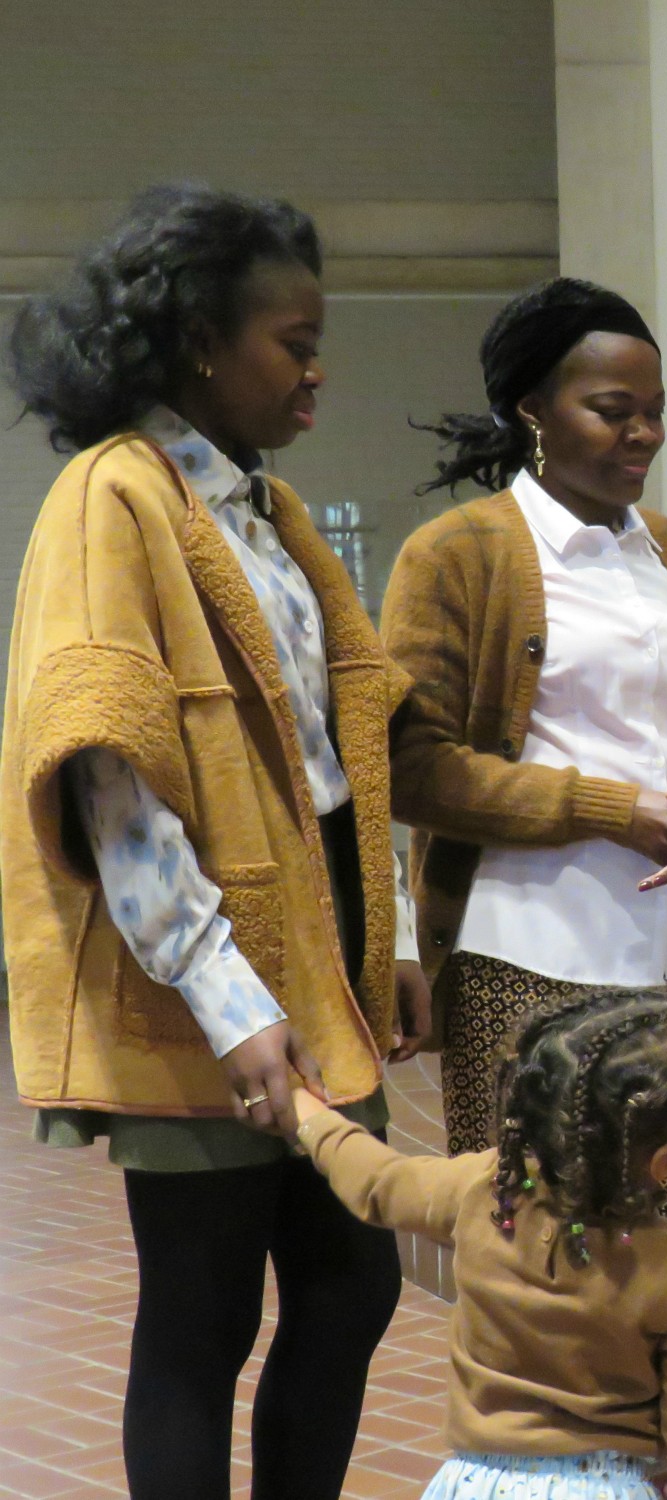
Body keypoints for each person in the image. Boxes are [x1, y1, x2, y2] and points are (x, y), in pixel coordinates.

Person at [1, 185, 429, 1499]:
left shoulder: (264, 508)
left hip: (312, 974)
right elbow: (108, 780)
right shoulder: (110, 498)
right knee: (200, 1321)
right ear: (200, 340)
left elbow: (338, 749)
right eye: (292, 343)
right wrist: (230, 1001)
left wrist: (395, 930)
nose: (316, 371)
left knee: (350, 1286)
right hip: (212, 997)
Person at [382, 280, 667, 1237]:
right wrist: (613, 809)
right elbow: (418, 767)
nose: (645, 435)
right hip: (534, 957)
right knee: (544, 1246)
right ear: (533, 411)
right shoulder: (456, 555)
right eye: (613, 411)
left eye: (657, 412)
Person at [292, 988, 667, 1500]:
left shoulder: (484, 1191)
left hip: (474, 1484)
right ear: (662, 1160)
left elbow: (378, 1182)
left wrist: (307, 1114)